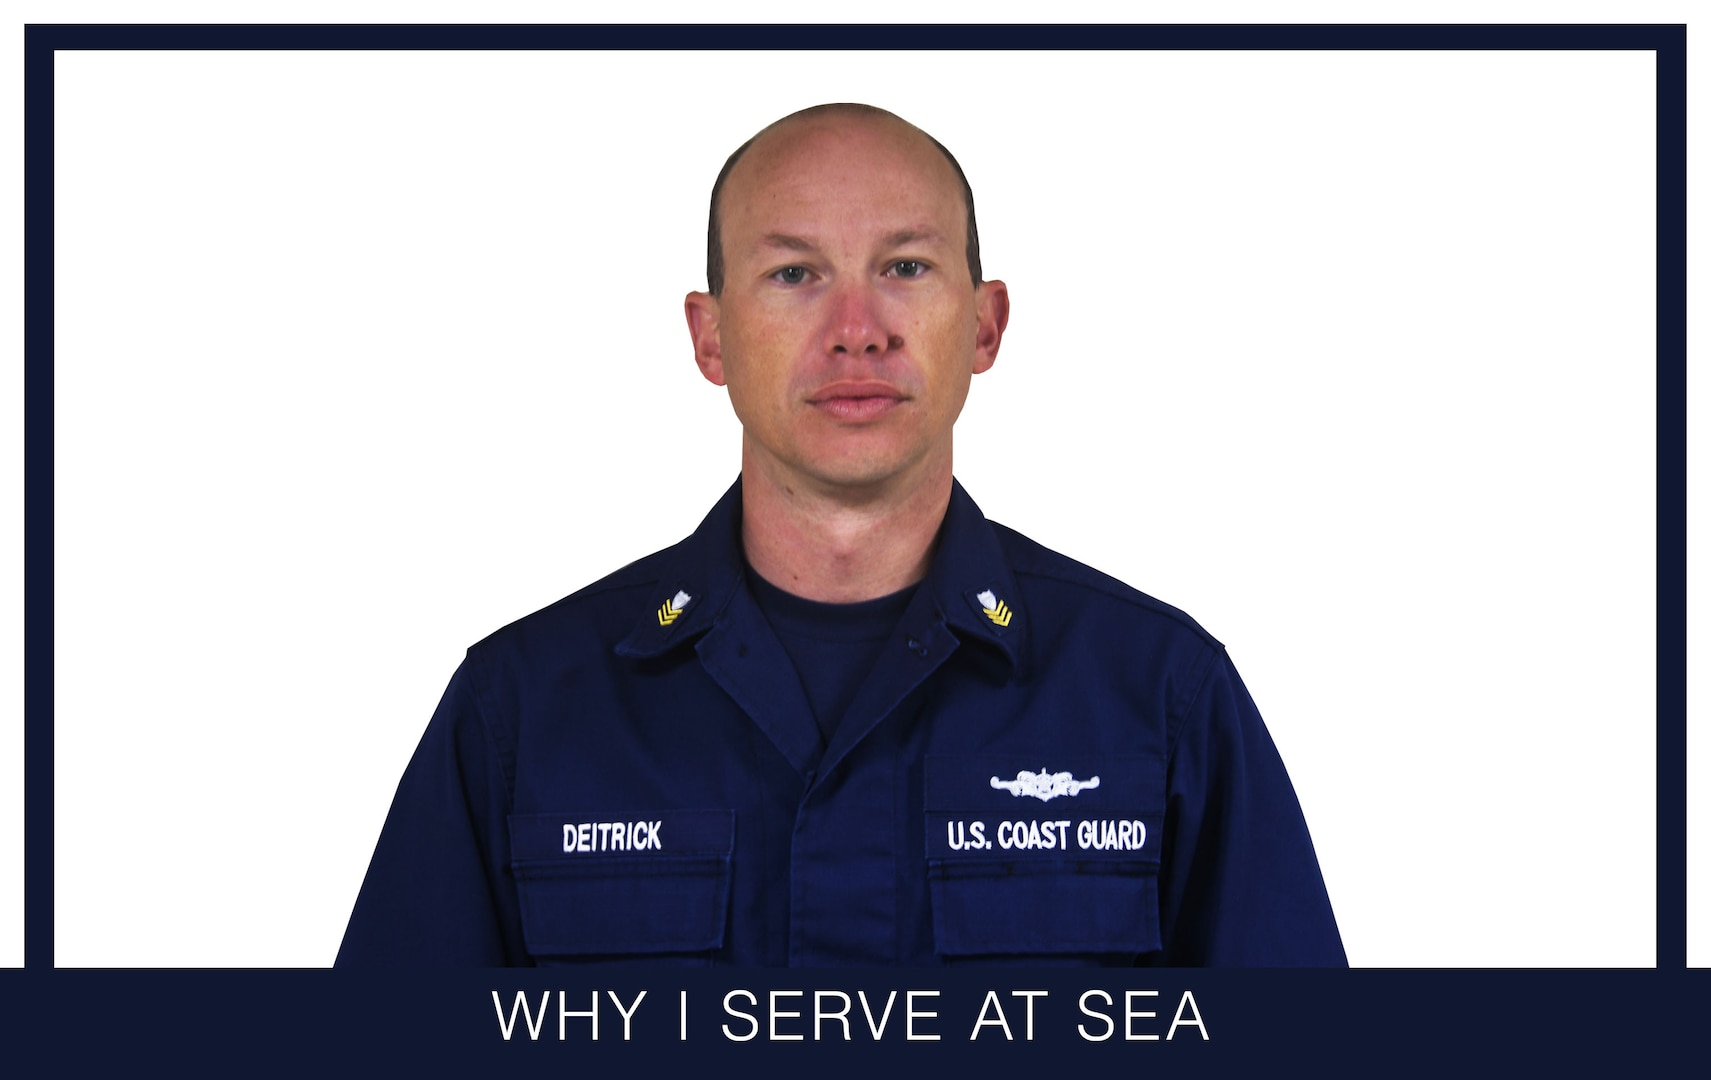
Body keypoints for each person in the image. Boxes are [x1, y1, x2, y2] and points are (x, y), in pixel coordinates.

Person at [335, 103, 1346, 967]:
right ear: (711, 335)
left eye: (904, 265)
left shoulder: (1157, 696)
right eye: (793, 275)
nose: (858, 327)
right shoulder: (523, 713)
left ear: (985, 325)